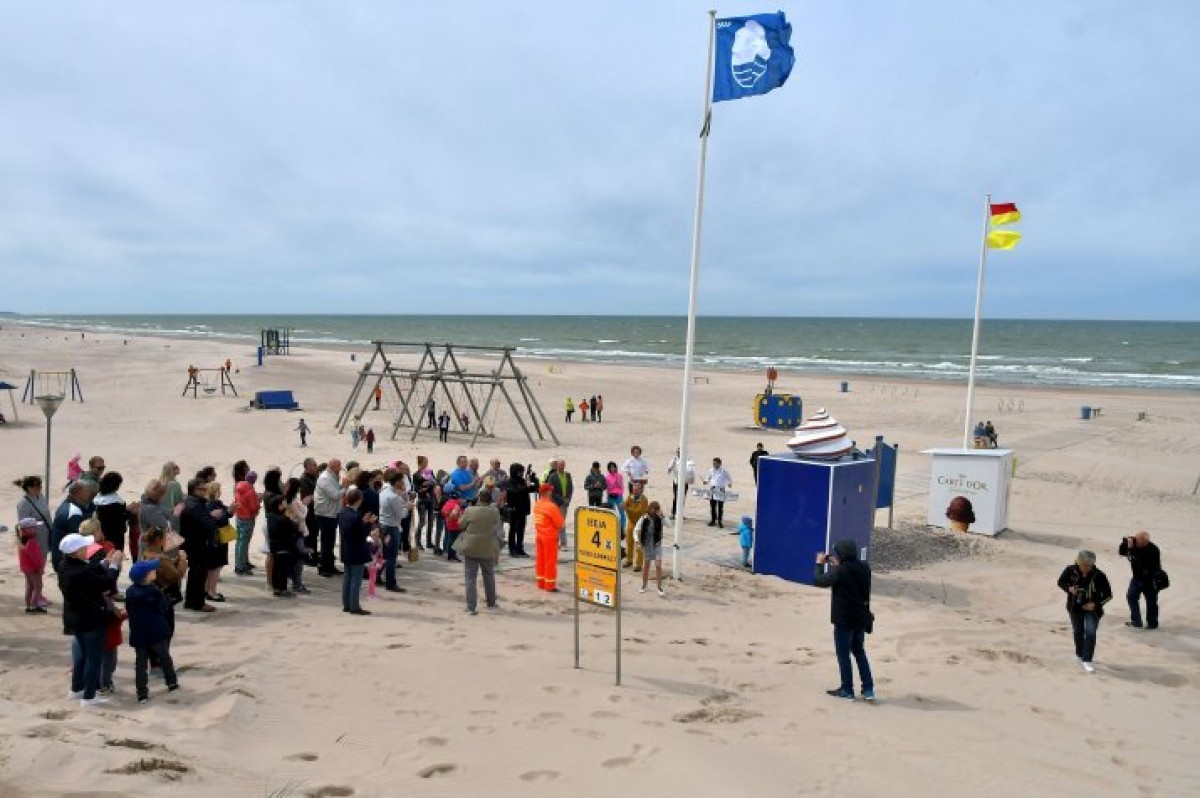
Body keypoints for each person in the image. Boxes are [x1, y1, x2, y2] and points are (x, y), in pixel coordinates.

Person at [58, 532, 123, 707]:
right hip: (90, 619)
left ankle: (77, 688)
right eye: (84, 547)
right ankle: (89, 696)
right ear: (76, 551)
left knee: (80, 655)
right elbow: (105, 582)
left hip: (75, 618)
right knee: (93, 658)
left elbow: (89, 572)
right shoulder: (80, 572)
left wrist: (104, 563)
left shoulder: (65, 565)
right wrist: (114, 566)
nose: (87, 549)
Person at [813, 540, 875, 701]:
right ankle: (868, 689)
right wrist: (837, 565)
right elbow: (850, 575)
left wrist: (819, 564)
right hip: (861, 618)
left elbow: (819, 581)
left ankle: (847, 689)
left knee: (843, 654)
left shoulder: (840, 571)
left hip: (844, 620)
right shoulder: (865, 568)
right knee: (859, 652)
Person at [125, 558, 180, 703]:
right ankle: (172, 682)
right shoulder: (154, 591)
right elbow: (163, 608)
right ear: (147, 576)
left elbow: (129, 610)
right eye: (152, 570)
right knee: (165, 658)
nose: (154, 571)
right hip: (156, 632)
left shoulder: (130, 591)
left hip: (139, 633)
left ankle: (142, 693)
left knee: (140, 664)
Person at [1057, 550, 1113, 673]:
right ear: (1079, 562)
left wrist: (1095, 604)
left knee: (1090, 633)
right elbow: (1060, 582)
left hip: (1093, 610)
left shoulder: (1099, 575)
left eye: (1090, 565)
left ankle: (1087, 660)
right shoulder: (1070, 570)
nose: (1087, 568)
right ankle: (1080, 654)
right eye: (1084, 565)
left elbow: (1108, 595)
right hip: (1074, 607)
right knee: (1078, 631)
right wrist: (1069, 588)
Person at [456, 490, 502, 614]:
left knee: (470, 578)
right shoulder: (494, 511)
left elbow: (460, 524)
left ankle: (471, 607)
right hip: (487, 546)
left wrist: (461, 513)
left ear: (479, 499)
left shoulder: (470, 510)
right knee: (489, 576)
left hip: (471, 546)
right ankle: (491, 603)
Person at [179, 478, 220, 613]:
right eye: (201, 489)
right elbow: (206, 524)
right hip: (196, 544)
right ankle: (197, 603)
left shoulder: (192, 502)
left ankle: (192, 601)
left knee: (196, 573)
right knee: (198, 573)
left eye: (205, 489)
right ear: (193, 490)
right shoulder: (194, 505)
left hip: (193, 543)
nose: (204, 492)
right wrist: (213, 517)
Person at [14, 475, 52, 607]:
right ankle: (34, 599)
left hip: (44, 537)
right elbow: (24, 524)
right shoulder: (23, 504)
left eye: (40, 486)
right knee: (34, 572)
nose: (39, 488)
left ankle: (37, 595)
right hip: (33, 541)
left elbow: (47, 515)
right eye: (36, 486)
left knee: (40, 567)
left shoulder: (40, 497)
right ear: (28, 488)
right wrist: (39, 524)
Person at [339, 488, 374, 615]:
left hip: (346, 549)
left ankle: (347, 604)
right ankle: (354, 606)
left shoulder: (343, 512)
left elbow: (354, 529)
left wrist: (363, 522)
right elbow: (362, 533)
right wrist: (368, 523)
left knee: (347, 578)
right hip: (356, 550)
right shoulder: (355, 516)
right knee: (356, 580)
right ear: (358, 500)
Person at [1119, 531, 1161, 630]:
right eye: (1136, 540)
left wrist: (1132, 549)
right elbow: (1122, 552)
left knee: (1151, 602)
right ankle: (1136, 621)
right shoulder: (1134, 545)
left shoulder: (1153, 550)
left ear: (1146, 542)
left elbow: (1144, 565)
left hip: (1150, 580)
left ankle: (1152, 623)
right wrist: (1124, 544)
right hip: (1136, 579)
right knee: (1131, 597)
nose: (1136, 542)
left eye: (1138, 541)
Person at [51, 481, 94, 572]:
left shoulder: (67, 505)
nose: (89, 493)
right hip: (68, 562)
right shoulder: (74, 512)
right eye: (87, 490)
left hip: (64, 560)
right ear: (78, 492)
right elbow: (77, 540)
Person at [378, 472, 410, 593]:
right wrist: (407, 508)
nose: (403, 483)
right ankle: (390, 583)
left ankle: (378, 576)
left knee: (384, 554)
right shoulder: (393, 496)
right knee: (391, 557)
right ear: (396, 482)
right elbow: (401, 514)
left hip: (383, 524)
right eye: (401, 481)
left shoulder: (383, 492)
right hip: (391, 526)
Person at [314, 459, 344, 577]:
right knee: (326, 542)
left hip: (332, 513)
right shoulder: (325, 478)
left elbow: (336, 490)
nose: (340, 469)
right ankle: (324, 568)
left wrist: (341, 485)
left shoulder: (333, 476)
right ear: (332, 467)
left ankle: (330, 566)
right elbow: (335, 495)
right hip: (325, 514)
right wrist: (345, 487)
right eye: (338, 466)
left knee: (330, 542)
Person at [265, 494, 299, 598]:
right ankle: (283, 589)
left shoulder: (270, 516)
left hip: (274, 546)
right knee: (283, 569)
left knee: (276, 568)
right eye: (284, 503)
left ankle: (276, 588)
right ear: (279, 505)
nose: (286, 504)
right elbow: (294, 529)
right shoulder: (283, 519)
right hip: (284, 546)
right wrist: (293, 520)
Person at [94, 471, 134, 558]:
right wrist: (129, 512)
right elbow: (119, 520)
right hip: (115, 536)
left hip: (101, 532)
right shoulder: (116, 503)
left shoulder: (98, 498)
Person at [532, 484, 564, 591]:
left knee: (540, 560)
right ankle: (550, 585)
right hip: (550, 537)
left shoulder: (537, 504)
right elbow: (560, 523)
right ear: (547, 492)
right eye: (550, 490)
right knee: (550, 561)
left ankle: (541, 582)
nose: (551, 492)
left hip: (539, 535)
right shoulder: (551, 506)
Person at [204, 482, 231, 603]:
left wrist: (230, 511)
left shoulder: (216, 503)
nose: (220, 492)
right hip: (217, 539)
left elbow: (226, 513)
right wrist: (226, 513)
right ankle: (212, 592)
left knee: (212, 567)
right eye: (219, 490)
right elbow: (220, 520)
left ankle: (207, 590)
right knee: (215, 567)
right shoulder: (211, 505)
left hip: (217, 538)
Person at [284, 478, 311, 594]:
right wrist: (305, 505)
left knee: (296, 559)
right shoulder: (291, 501)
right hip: (297, 532)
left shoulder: (290, 499)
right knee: (298, 560)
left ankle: (295, 582)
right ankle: (297, 584)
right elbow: (301, 516)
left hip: (296, 531)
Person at [16, 518, 48, 613]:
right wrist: (40, 567)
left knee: (30, 586)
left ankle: (28, 606)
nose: (36, 529)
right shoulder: (31, 542)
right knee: (38, 586)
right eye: (34, 527)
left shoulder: (21, 540)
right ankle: (34, 606)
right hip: (33, 568)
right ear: (27, 529)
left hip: (26, 567)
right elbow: (36, 557)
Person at [232, 469, 260, 576]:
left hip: (239, 516)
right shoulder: (251, 491)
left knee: (239, 541)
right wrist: (258, 503)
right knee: (244, 542)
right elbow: (253, 507)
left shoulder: (238, 486)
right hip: (248, 517)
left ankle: (240, 563)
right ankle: (240, 567)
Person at [505, 463, 536, 557]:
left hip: (523, 509)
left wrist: (533, 480)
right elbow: (515, 492)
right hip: (514, 509)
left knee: (521, 529)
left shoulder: (522, 480)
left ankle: (520, 548)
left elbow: (533, 489)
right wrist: (526, 486)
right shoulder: (510, 482)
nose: (521, 474)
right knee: (513, 529)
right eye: (520, 472)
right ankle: (512, 549)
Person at [637, 501, 666, 596]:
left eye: (656, 509)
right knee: (646, 566)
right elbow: (636, 530)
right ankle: (644, 585)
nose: (654, 511)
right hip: (647, 544)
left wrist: (663, 516)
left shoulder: (660, 518)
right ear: (649, 509)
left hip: (657, 544)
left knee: (658, 565)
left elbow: (670, 525)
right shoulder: (644, 518)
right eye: (653, 509)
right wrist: (637, 542)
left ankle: (659, 587)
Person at [544, 459, 574, 549]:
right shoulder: (552, 476)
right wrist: (561, 499)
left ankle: (563, 543)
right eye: (561, 465)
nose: (562, 467)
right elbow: (551, 490)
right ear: (557, 466)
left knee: (561, 523)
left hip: (565, 503)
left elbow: (570, 488)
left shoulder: (568, 475)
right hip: (556, 502)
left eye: (563, 465)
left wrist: (568, 499)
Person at [622, 483, 649, 571]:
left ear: (641, 490)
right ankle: (629, 560)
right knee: (629, 542)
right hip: (631, 522)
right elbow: (625, 504)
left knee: (639, 544)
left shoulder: (644, 500)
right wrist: (624, 506)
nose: (635, 492)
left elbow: (638, 512)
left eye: (637, 490)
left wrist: (627, 508)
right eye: (634, 490)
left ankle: (638, 564)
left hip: (640, 524)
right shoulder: (630, 496)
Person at [703, 457, 733, 528]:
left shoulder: (724, 471)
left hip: (721, 490)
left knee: (720, 506)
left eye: (715, 463)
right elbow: (707, 478)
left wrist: (729, 484)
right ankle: (713, 520)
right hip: (713, 489)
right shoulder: (710, 470)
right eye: (713, 463)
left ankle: (720, 521)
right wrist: (705, 481)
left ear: (720, 464)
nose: (714, 465)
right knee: (712, 506)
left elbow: (729, 479)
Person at [441, 490, 465, 562]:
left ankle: (450, 555)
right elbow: (456, 514)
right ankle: (452, 555)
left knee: (450, 539)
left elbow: (443, 512)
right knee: (453, 541)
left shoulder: (447, 503)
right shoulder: (456, 505)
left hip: (449, 524)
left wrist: (448, 517)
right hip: (455, 524)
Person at [604, 461, 625, 533]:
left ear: (616, 468)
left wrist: (617, 481)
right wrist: (613, 483)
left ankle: (622, 527)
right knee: (612, 512)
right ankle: (612, 526)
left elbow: (621, 486)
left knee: (622, 512)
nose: (612, 469)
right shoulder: (607, 477)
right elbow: (608, 488)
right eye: (611, 467)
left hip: (619, 496)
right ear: (609, 469)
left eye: (613, 467)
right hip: (611, 496)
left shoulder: (619, 475)